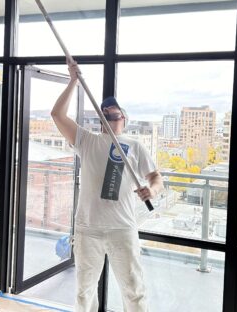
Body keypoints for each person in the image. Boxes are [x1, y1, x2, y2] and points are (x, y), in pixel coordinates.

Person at [51, 60, 163, 312]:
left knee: (134, 290)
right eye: (105, 111)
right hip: (87, 228)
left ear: (124, 117)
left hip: (122, 227)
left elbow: (156, 177)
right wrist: (73, 81)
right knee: (84, 292)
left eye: (115, 111)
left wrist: (152, 190)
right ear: (100, 117)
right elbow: (57, 115)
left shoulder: (135, 145)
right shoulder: (87, 140)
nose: (110, 113)